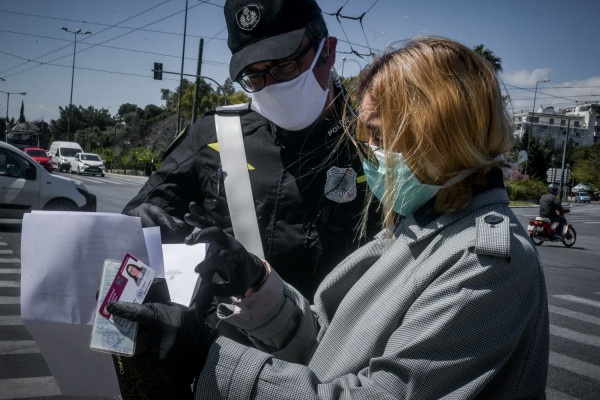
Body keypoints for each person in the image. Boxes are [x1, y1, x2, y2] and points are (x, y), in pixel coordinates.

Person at [110, 36, 549, 398]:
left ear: (440, 133)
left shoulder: (485, 263)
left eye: (380, 137)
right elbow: (326, 347)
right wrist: (255, 282)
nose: (372, 155)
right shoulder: (421, 228)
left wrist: (209, 358)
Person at [122, 0, 378, 298]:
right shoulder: (214, 134)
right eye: (254, 76)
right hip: (222, 340)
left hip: (336, 340)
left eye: (285, 66)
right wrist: (141, 227)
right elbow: (135, 224)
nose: (270, 85)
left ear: (329, 51)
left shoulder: (374, 146)